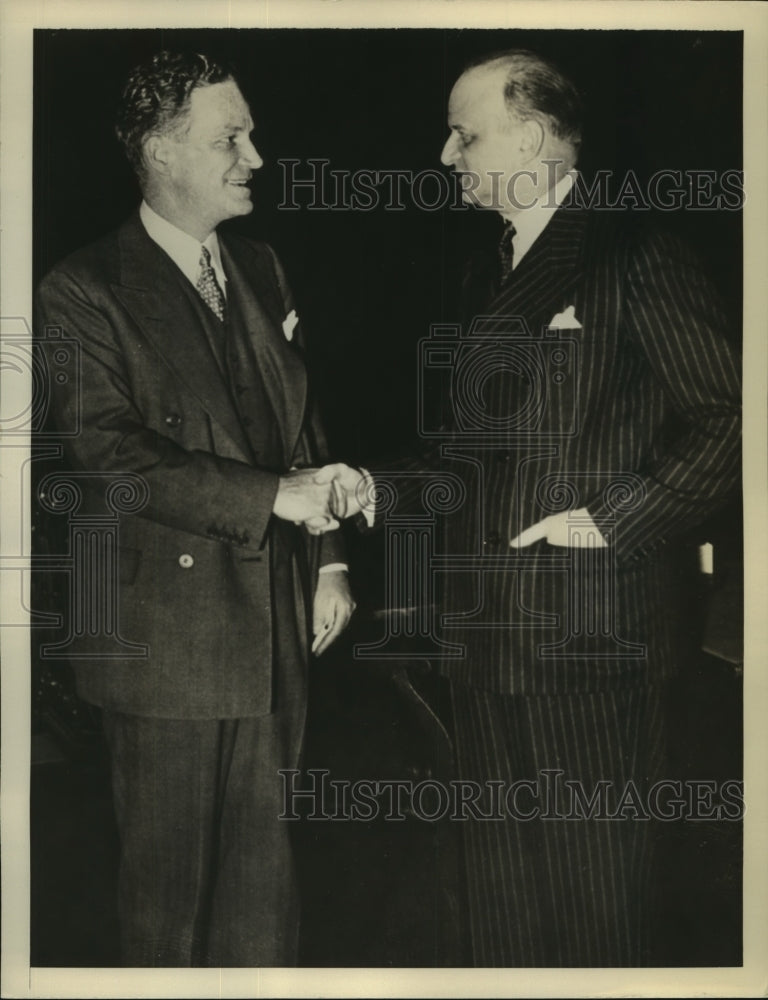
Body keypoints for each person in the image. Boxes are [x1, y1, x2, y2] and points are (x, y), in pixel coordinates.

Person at [325, 50, 741, 966]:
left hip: (593, 640)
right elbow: (468, 457)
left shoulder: (635, 251)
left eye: (464, 134)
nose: (445, 155)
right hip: (488, 640)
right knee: (504, 898)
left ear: (535, 136)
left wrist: (614, 518)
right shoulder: (490, 272)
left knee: (595, 898)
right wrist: (371, 483)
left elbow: (733, 416)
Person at [35, 50, 354, 967]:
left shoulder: (261, 266)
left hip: (277, 628)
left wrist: (328, 555)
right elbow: (108, 456)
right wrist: (272, 499)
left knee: (267, 892)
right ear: (161, 151)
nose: (256, 154)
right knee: (171, 906)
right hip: (165, 644)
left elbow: (302, 423)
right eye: (231, 138)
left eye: (250, 132)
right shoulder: (82, 290)